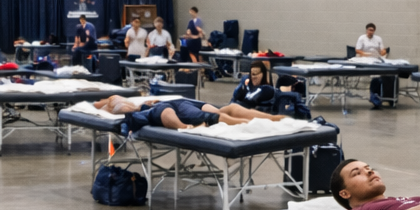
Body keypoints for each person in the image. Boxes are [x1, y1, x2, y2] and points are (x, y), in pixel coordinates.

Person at [94, 93, 293, 130]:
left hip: (175, 105)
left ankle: (270, 120)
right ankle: (273, 119)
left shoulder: (122, 104)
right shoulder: (123, 105)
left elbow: (163, 113)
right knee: (225, 112)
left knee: (222, 114)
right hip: (177, 105)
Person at [354, 23, 392, 108]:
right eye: (369, 30)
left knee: (378, 76)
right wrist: (366, 54)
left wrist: (383, 52)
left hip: (375, 57)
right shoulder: (362, 38)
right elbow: (358, 50)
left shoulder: (378, 39)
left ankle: (375, 97)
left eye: (372, 30)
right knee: (374, 74)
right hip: (364, 57)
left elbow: (382, 50)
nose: (370, 32)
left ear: (374, 31)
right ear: (366, 30)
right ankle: (375, 97)